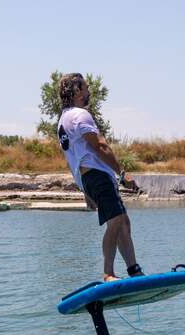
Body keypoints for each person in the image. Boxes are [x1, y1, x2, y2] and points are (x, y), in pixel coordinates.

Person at [57, 73, 144, 282]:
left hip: (90, 178)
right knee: (115, 221)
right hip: (98, 176)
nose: (89, 92)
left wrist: (84, 188)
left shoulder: (63, 120)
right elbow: (100, 146)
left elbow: (71, 157)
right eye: (86, 88)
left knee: (123, 221)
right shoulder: (80, 115)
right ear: (77, 91)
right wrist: (122, 174)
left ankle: (134, 271)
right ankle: (108, 273)